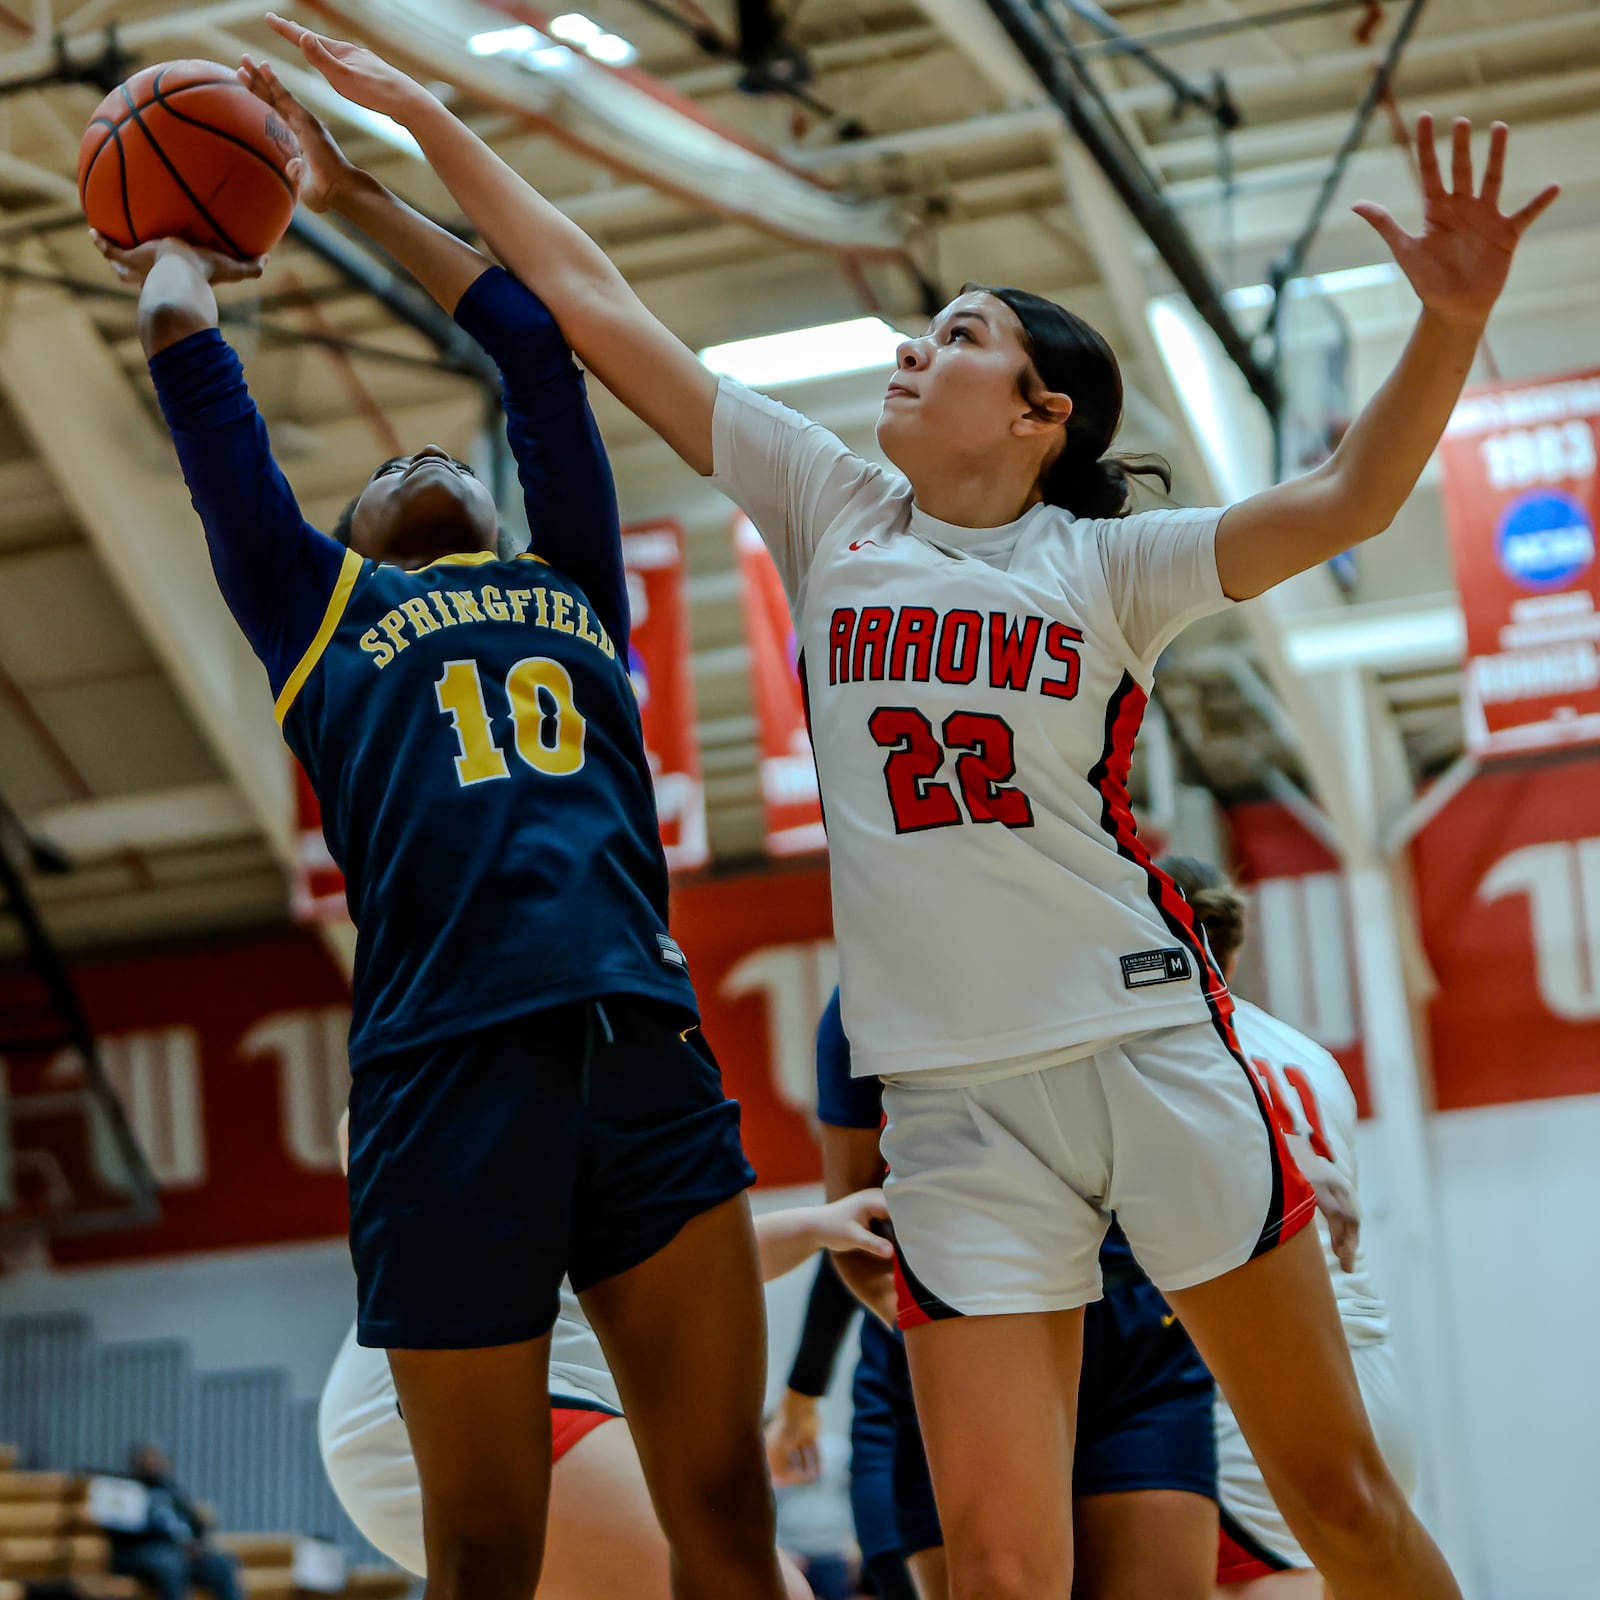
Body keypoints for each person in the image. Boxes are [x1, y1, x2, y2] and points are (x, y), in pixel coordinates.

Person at [271, 21, 1557, 1595]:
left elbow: (1353, 499)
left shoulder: (1109, 567)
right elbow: (592, 299)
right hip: (953, 1107)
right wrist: (410, 128)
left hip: (1147, 1042)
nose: (910, 349)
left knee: (1337, 1496)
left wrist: (1450, 322)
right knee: (998, 1577)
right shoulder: (829, 508)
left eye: (953, 337)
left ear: (1041, 418)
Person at [93, 59, 793, 1600]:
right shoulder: (315, 611)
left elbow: (534, 350)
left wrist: (350, 196)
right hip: (442, 1072)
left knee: (729, 1514)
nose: (415, 454)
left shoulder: (577, 592)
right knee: (485, 1548)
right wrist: (176, 244)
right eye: (379, 473)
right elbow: (198, 391)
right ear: (347, 542)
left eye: (444, 457)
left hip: (638, 1043)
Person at [321, 1107, 889, 1600]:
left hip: (484, 1389)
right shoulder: (490, 1038)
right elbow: (365, 1129)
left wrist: (817, 1225)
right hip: (434, 1404)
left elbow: (675, 1266)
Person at [769, 990, 1218, 1600]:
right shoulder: (870, 994)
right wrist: (809, 1389)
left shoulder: (1103, 944)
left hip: (1133, 1330)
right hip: (965, 1329)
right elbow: (856, 1220)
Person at [1155, 858, 1417, 1600]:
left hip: (1261, 1394)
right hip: (1371, 1371)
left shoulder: (1167, 1059)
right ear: (1231, 952)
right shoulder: (1309, 1056)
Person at [107, 1446, 243, 1600]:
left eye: (156, 1460)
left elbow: (196, 1523)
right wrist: (175, 1547)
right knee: (171, 1566)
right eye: (147, 1460)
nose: (152, 1464)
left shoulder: (171, 1490)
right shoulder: (125, 1491)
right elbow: (125, 1533)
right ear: (135, 1463)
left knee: (221, 1564)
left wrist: (198, 1544)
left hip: (183, 1550)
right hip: (146, 1550)